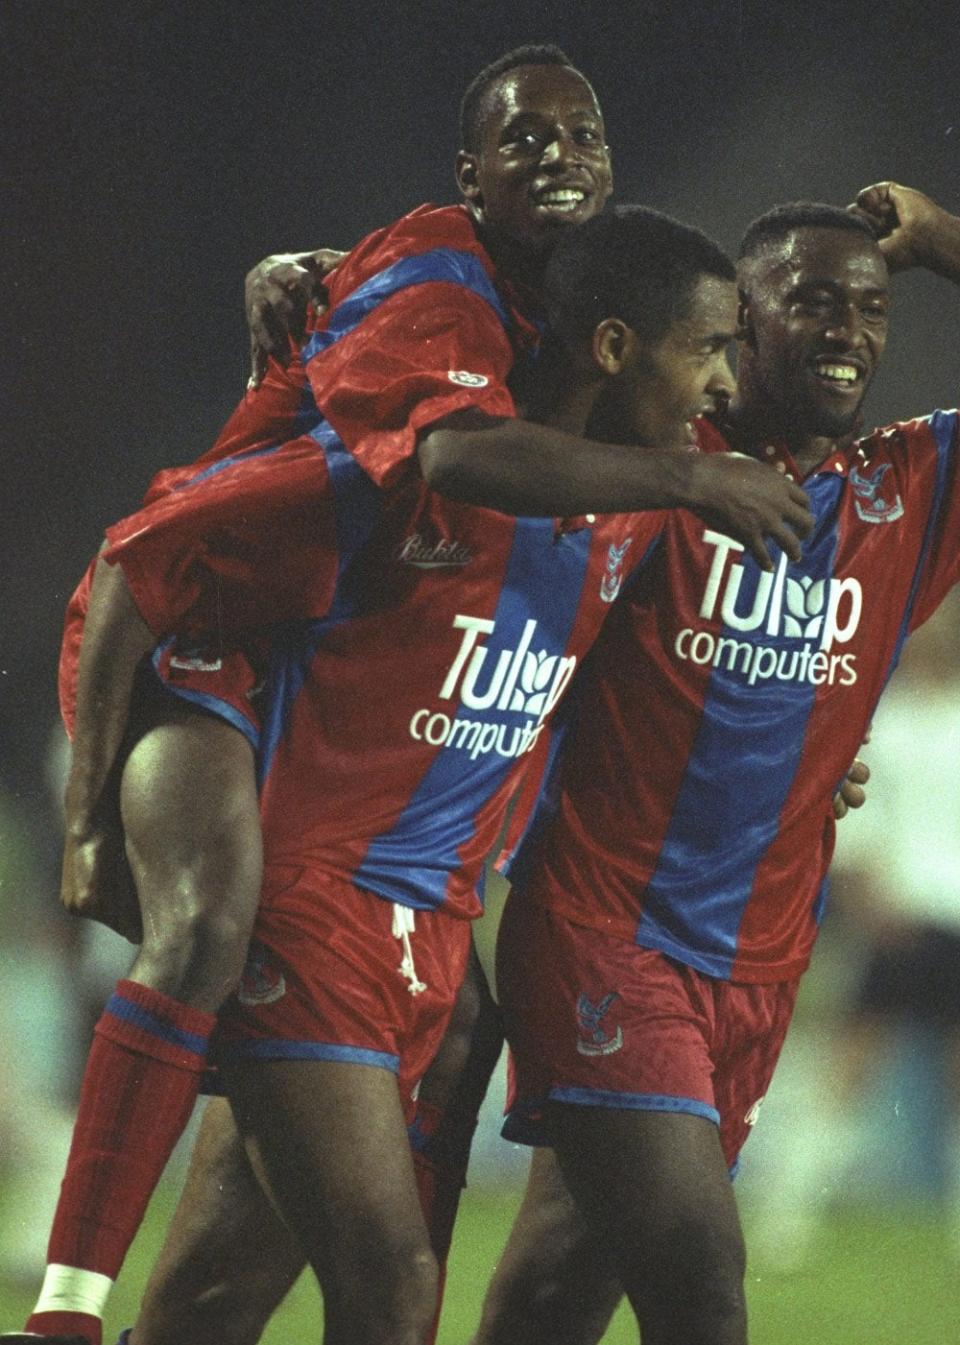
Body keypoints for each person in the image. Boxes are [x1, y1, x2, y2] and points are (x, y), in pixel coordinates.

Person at [9, 49, 808, 1345]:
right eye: (708, 354)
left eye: (584, 136)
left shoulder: (625, 492)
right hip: (294, 840)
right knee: (385, 1275)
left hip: (425, 926)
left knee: (216, 1295)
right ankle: (63, 1305)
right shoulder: (407, 466)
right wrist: (91, 817)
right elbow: (142, 561)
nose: (726, 390)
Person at [478, 180, 960, 1345]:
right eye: (808, 301)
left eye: (871, 308)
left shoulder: (908, 492)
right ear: (734, 324)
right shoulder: (654, 460)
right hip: (608, 934)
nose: (848, 330)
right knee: (702, 1270)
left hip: (759, 969)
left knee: (557, 1287)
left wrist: (944, 241)